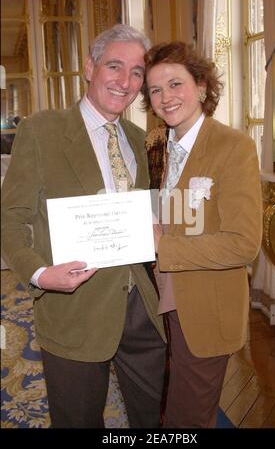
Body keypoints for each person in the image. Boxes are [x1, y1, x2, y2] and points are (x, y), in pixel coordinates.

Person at [1, 24, 166, 429]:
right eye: (114, 66)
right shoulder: (41, 130)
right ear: (90, 68)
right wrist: (40, 274)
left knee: (150, 420)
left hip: (141, 307)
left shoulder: (139, 138)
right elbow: (11, 217)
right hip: (74, 308)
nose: (125, 82)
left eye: (137, 73)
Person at [142, 41, 262, 428]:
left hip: (205, 308)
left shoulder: (233, 146)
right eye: (155, 90)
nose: (165, 97)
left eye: (175, 84)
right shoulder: (161, 145)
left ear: (202, 86)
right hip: (163, 300)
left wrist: (166, 246)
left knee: (185, 418)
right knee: (177, 402)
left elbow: (244, 244)